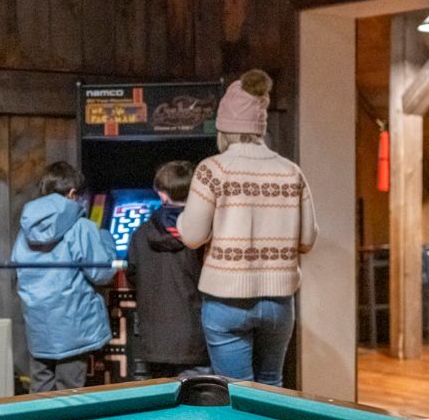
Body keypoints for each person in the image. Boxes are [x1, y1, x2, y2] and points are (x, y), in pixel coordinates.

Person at [177, 70, 318, 387]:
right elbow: (308, 240)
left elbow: (193, 236)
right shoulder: (290, 172)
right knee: (270, 387)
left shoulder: (212, 169)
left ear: (224, 127)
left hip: (225, 299)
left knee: (235, 393)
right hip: (279, 301)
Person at [12, 162, 117, 392]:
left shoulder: (25, 231)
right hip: (74, 327)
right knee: (70, 392)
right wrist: (107, 242)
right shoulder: (82, 227)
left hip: (39, 326)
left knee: (40, 392)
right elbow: (101, 273)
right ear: (72, 194)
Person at [127, 161, 210, 380]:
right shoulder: (205, 234)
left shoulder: (141, 233)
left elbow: (132, 273)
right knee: (196, 407)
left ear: (163, 196)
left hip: (154, 341)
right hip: (196, 339)